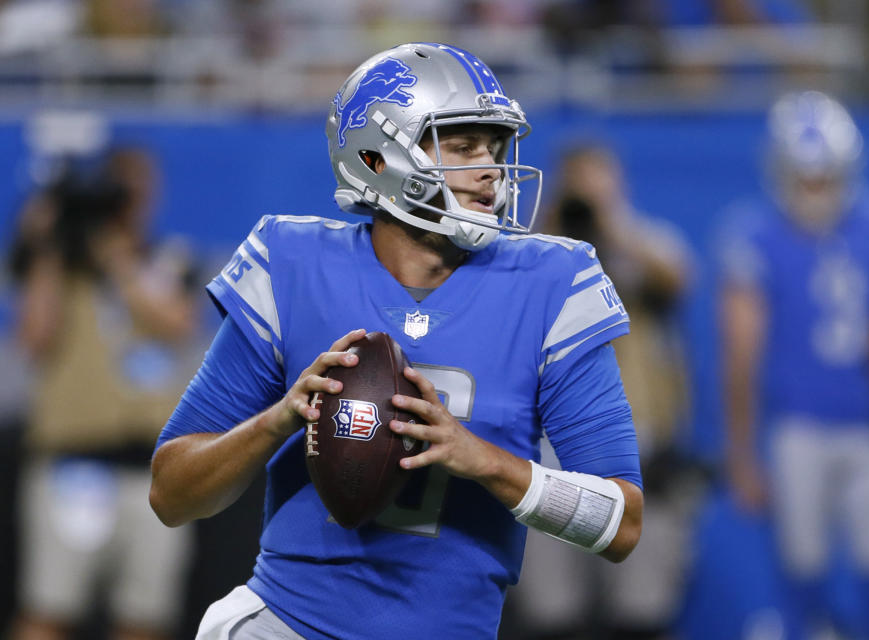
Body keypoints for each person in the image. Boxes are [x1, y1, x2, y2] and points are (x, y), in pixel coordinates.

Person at [148, 42, 645, 640]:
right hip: (288, 625)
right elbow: (171, 495)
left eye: (494, 147)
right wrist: (277, 420)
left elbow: (621, 526)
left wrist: (486, 461)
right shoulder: (293, 264)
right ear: (379, 158)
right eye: (462, 147)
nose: (490, 169)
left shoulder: (550, 282)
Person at [718, 90, 869, 639]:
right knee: (806, 569)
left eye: (825, 178)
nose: (816, 191)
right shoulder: (758, 233)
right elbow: (741, 352)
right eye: (806, 178)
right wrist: (743, 448)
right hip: (805, 423)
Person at [508, 143, 697, 640]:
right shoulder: (534, 252)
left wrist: (610, 229)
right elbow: (497, 293)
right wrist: (552, 227)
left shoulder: (646, 244)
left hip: (637, 455)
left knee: (640, 613)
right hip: (547, 456)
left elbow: (675, 280)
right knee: (552, 615)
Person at [10, 147, 199, 640]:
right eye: (120, 190)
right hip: (73, 462)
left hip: (152, 469)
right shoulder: (64, 266)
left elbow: (176, 324)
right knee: (48, 608)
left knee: (144, 619)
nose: (130, 202)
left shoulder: (168, 259)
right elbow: (33, 339)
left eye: (139, 190)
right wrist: (48, 246)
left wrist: (116, 256)